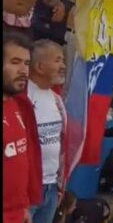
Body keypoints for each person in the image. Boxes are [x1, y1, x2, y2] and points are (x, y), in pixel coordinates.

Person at [26, 40, 68, 223]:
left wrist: (58, 185)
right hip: (25, 192)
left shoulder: (57, 100)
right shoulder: (21, 98)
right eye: (58, 60)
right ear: (40, 66)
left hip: (50, 188)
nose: (63, 65)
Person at [3, 32, 43, 223]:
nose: (23, 70)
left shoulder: (16, 105)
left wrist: (23, 207)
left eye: (26, 64)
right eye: (15, 62)